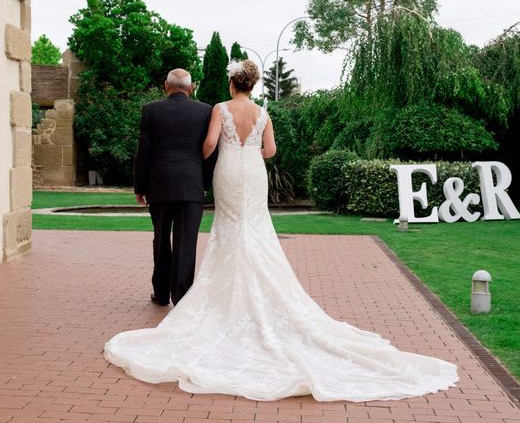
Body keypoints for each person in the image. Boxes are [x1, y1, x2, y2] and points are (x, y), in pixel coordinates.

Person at [105, 60, 458, 402]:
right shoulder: (262, 112)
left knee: (220, 230)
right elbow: (271, 151)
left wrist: (218, 154)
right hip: (252, 172)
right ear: (254, 84)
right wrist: (246, 151)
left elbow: (208, 145)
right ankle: (221, 291)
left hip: (220, 173)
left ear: (232, 83)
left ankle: (184, 294)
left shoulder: (216, 109)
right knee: (251, 229)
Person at [134, 68, 215, 306]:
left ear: (166, 86)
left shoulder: (150, 111)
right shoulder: (205, 111)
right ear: (191, 88)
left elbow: (143, 152)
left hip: (159, 184)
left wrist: (140, 186)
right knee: (186, 242)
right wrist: (205, 183)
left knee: (160, 240)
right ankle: (181, 298)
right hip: (191, 185)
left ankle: (160, 293)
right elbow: (211, 151)